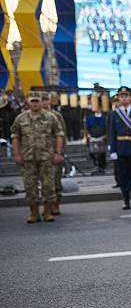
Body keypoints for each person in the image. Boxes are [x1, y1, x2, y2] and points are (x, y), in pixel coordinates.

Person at [10, 92, 65, 223]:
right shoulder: (20, 118)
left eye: (37, 101)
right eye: (32, 101)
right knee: (30, 186)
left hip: (47, 157)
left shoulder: (51, 117)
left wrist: (58, 153)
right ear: (28, 102)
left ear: (41, 102)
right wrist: (17, 154)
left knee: (48, 185)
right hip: (28, 158)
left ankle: (47, 212)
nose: (35, 104)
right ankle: (34, 213)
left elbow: (59, 135)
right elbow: (15, 137)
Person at [42, 92, 67, 215]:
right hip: (40, 154)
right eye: (42, 100)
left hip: (54, 153)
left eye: (46, 100)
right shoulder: (35, 116)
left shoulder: (56, 115)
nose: (44, 102)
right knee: (44, 182)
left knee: (56, 180)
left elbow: (62, 135)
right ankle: (47, 206)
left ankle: (56, 204)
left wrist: (61, 152)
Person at [86, 108, 108, 174]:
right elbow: (88, 128)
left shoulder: (104, 118)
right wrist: (88, 134)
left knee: (102, 154)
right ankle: (96, 166)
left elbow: (107, 128)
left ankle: (102, 167)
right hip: (93, 137)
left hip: (102, 137)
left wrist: (105, 136)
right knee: (93, 153)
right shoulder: (90, 118)